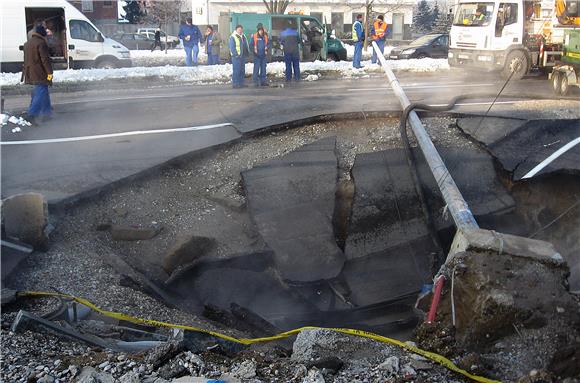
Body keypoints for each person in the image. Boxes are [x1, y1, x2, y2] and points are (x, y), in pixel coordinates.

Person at [22, 23, 53, 125]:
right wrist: (49, 73)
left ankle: (47, 113)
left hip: (30, 72)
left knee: (43, 92)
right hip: (39, 72)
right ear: (42, 33)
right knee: (40, 92)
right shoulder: (41, 43)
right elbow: (45, 60)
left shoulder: (27, 43)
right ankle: (32, 114)